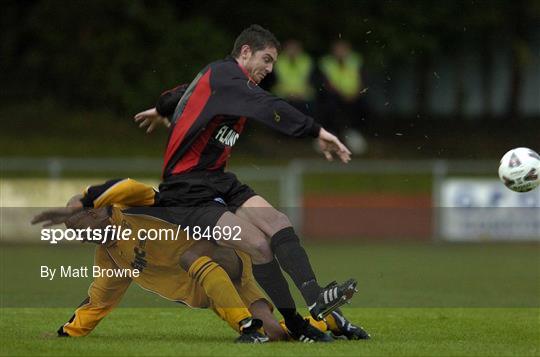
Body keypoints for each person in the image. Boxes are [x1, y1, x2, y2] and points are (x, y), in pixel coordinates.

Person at [133, 24, 356, 343]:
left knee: (278, 222)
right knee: (258, 244)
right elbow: (268, 106)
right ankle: (294, 321)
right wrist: (316, 131)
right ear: (246, 52)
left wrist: (163, 108)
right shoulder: (226, 76)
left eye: (273, 64)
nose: (269, 69)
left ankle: (316, 298)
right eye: (266, 60)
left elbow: (186, 91)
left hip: (218, 180)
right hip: (186, 192)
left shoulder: (226, 82)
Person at [32, 179, 370, 342]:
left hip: (223, 253)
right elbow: (98, 300)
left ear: (101, 210)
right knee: (280, 335)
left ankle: (247, 329)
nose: (80, 229)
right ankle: (331, 324)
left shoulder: (135, 207)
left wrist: (88, 195)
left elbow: (130, 185)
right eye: (74, 228)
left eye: (82, 219)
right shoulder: (110, 259)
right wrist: (66, 334)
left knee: (190, 255)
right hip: (213, 287)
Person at [319, 39, 368, 154]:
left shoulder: (356, 61)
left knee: (362, 106)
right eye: (338, 49)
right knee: (330, 105)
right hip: (335, 96)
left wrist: (356, 93)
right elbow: (326, 83)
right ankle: (330, 134)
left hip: (354, 96)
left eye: (343, 49)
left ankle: (353, 133)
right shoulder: (327, 62)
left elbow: (363, 80)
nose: (340, 52)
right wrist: (342, 94)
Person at [271, 39, 315, 115]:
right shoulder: (279, 61)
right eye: (290, 49)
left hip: (303, 93)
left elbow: (308, 80)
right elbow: (281, 80)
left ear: (300, 49)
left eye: (295, 49)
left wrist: (298, 94)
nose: (292, 51)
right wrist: (291, 94)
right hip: (284, 93)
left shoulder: (306, 60)